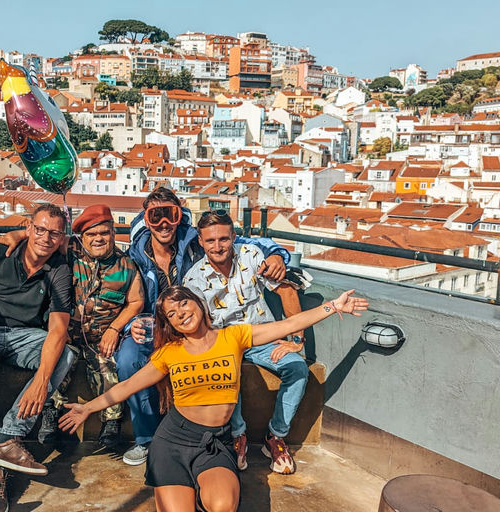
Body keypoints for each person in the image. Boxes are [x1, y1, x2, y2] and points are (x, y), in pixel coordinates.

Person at [60, 285, 368, 512]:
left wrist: (332, 307)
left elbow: (287, 326)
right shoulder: (170, 352)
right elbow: (126, 387)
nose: (181, 313)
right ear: (169, 323)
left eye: (184, 303)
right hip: (173, 443)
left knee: (222, 506)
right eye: (172, 313)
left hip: (215, 443)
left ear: (200, 304)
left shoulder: (232, 337)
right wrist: (87, 408)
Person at [116, 186, 291, 466]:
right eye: (155, 216)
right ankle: (147, 439)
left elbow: (241, 242)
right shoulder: (135, 253)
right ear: (146, 219)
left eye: (170, 215)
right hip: (156, 325)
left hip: (197, 326)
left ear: (179, 216)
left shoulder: (194, 241)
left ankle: (203, 436)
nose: (163, 224)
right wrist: (129, 326)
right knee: (127, 359)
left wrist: (277, 255)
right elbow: (126, 295)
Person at [0, 204, 145, 448]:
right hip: (65, 335)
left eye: (104, 233)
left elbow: (136, 301)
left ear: (114, 234)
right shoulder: (70, 250)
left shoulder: (126, 266)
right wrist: (19, 234)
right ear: (81, 237)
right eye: (91, 235)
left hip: (100, 338)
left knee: (108, 369)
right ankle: (50, 415)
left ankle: (111, 423)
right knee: (57, 365)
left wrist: (114, 329)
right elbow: (45, 237)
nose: (98, 239)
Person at [0, 204, 76, 512]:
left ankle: (9, 437)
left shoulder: (60, 269)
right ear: (28, 227)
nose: (45, 238)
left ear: (61, 237)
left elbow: (58, 328)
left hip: (26, 336)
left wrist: (41, 380)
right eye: (40, 229)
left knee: (64, 354)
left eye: (54, 233)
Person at [184, 210, 310, 474]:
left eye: (224, 239)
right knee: (228, 370)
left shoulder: (251, 256)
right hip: (226, 340)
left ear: (233, 237)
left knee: (298, 369)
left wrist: (297, 340)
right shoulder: (193, 279)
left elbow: (286, 290)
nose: (218, 247)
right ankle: (237, 435)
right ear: (200, 241)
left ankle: (275, 436)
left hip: (264, 336)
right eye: (210, 241)